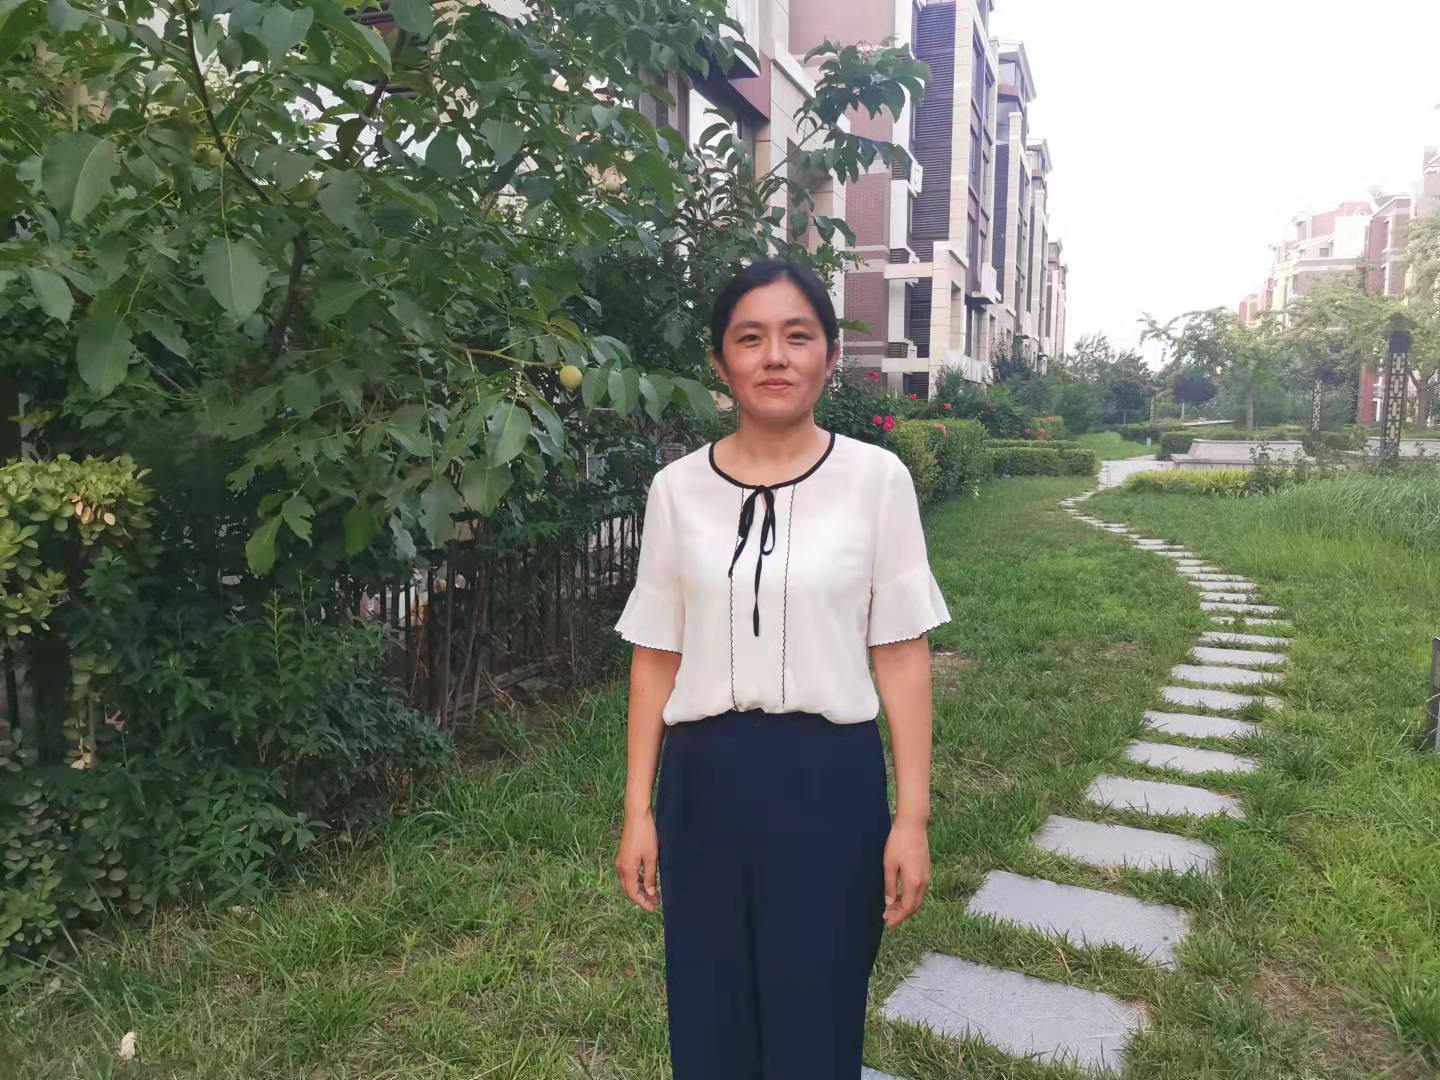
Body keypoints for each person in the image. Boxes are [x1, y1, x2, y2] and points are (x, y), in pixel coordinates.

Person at [612, 259, 951, 1079]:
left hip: (827, 784)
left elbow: (901, 652)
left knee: (817, 1013)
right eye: (750, 338)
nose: (774, 356)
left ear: (831, 356)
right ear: (719, 361)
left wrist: (911, 818)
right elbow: (656, 655)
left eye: (798, 337)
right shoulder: (675, 490)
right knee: (709, 1015)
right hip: (703, 785)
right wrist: (637, 810)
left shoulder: (877, 481)